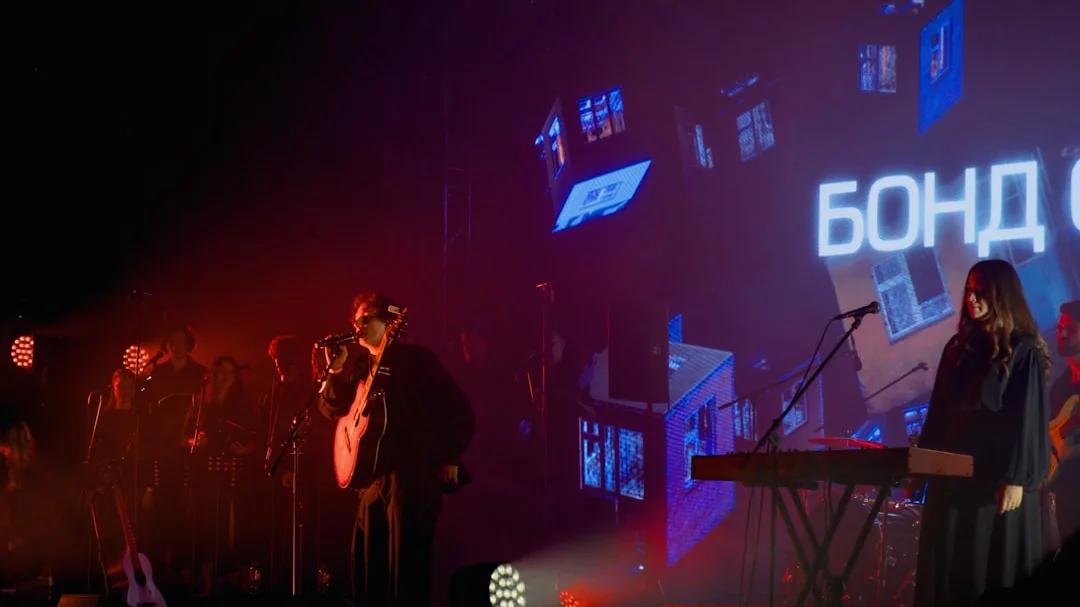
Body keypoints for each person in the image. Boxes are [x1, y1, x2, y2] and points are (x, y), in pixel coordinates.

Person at [317, 292, 474, 606]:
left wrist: (450, 455)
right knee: (367, 570)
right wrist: (334, 371)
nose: (356, 326)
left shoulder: (415, 360)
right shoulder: (362, 367)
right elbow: (332, 410)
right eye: (355, 321)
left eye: (365, 320)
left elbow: (457, 409)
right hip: (372, 483)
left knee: (406, 571)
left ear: (389, 322)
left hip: (411, 475)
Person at [914, 259, 1051, 606]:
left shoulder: (1024, 350)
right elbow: (938, 412)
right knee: (951, 570)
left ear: (1000, 295)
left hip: (994, 481)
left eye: (981, 291)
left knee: (986, 568)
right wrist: (920, 467)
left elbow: (1028, 418)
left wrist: (1017, 477)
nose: (972, 299)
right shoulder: (958, 349)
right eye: (969, 291)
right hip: (952, 480)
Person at [1047, 300, 1080, 546]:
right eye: (1060, 328)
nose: (1062, 333)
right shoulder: (1059, 386)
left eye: (1070, 327)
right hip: (1069, 496)